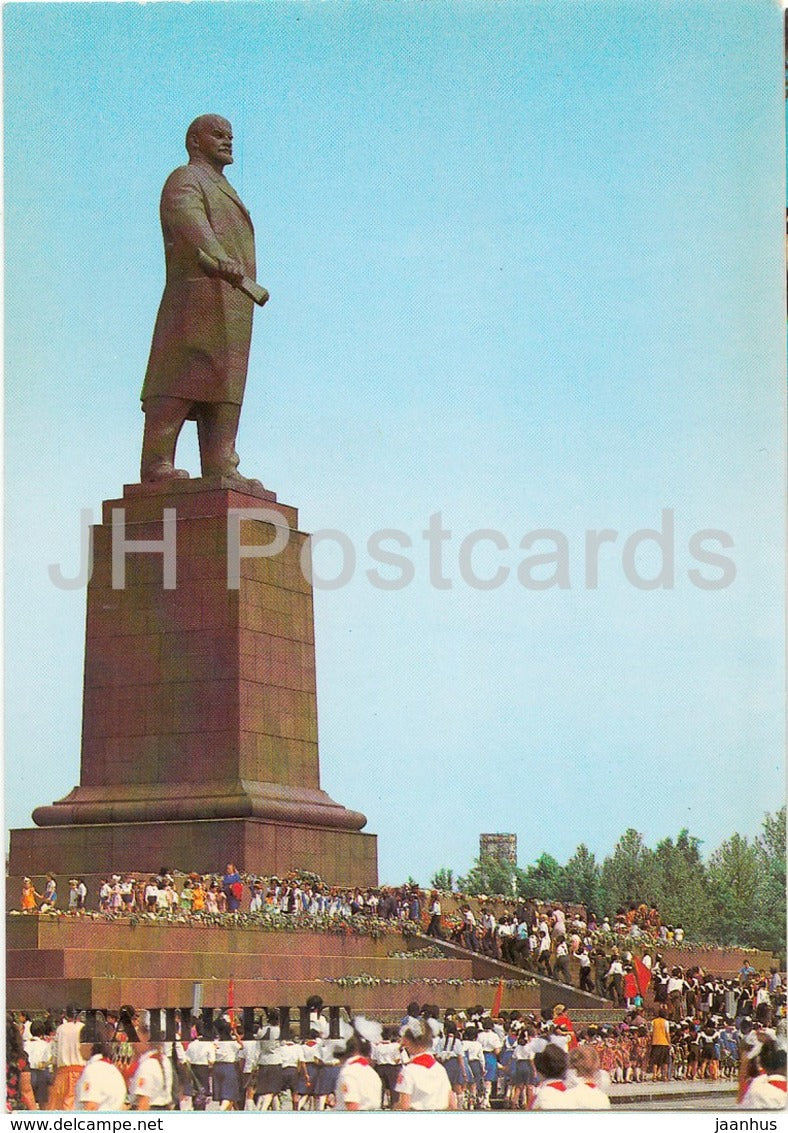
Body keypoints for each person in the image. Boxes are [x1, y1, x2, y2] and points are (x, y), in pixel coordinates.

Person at [140, 114, 265, 488]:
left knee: (226, 384)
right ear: (195, 141)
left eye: (231, 136)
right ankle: (157, 463)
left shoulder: (225, 187)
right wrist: (219, 255)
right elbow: (190, 222)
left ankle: (222, 461)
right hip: (196, 298)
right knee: (179, 379)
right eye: (218, 135)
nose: (228, 141)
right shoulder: (186, 178)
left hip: (234, 303)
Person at [395, 1020, 454, 1110]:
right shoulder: (440, 1069)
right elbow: (452, 1102)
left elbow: (404, 1106)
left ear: (407, 1042)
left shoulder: (408, 1071)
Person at [46, 1005, 87, 1110]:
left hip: (63, 1072)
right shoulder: (84, 1028)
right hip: (82, 1072)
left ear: (66, 1015)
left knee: (61, 1105)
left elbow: (55, 1052)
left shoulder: (61, 1029)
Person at [74, 1043, 127, 1111]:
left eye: (81, 1044)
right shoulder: (112, 1069)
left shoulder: (93, 1069)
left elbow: (90, 1107)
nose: (79, 1048)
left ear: (90, 1045)